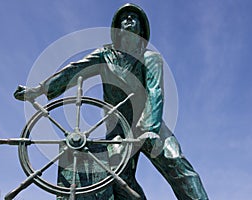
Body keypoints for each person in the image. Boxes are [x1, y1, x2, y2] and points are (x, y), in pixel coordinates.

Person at [14, 3, 208, 200]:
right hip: (119, 129)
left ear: (141, 29)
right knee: (120, 181)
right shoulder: (104, 56)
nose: (129, 19)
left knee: (175, 162)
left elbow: (154, 91)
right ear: (117, 29)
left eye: (134, 17)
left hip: (150, 122)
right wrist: (39, 90)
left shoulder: (150, 58)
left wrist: (149, 128)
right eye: (125, 17)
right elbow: (74, 70)